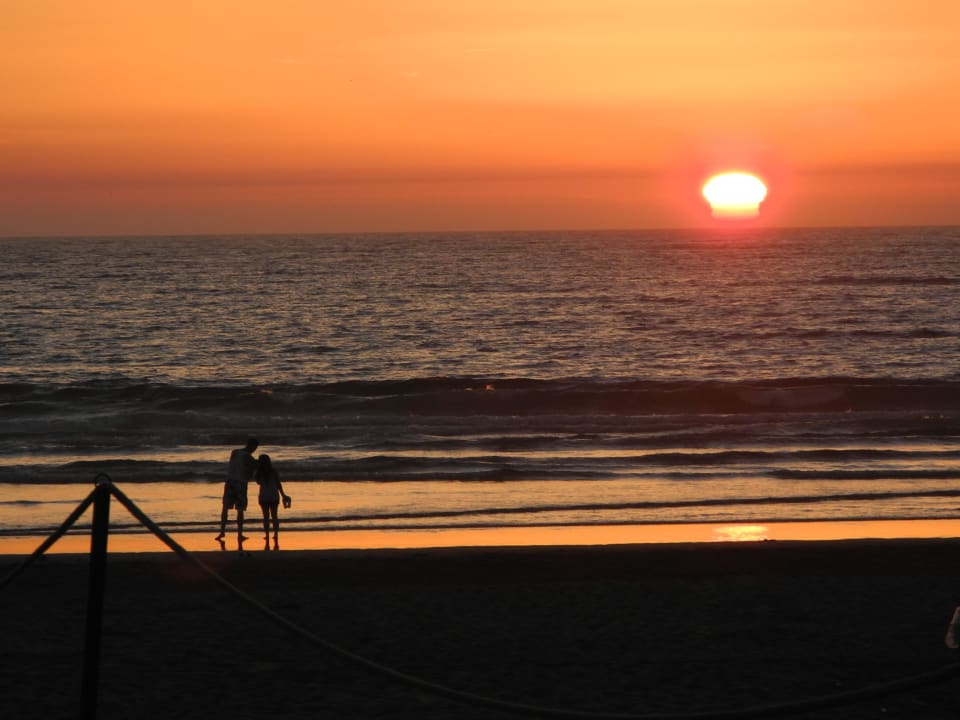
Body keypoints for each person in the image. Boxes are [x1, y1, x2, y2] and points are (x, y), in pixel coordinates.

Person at [216, 437, 259, 545]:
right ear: (253, 446)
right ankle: (239, 534)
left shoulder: (234, 452)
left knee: (225, 507)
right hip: (240, 483)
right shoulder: (249, 458)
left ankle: (222, 532)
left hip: (230, 481)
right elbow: (252, 469)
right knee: (240, 509)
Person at [255, 453, 290, 550]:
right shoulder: (273, 471)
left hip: (263, 496)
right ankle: (275, 534)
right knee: (274, 516)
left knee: (265, 517)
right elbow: (279, 484)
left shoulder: (259, 472)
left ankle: (267, 534)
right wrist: (283, 495)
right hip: (274, 496)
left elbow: (257, 482)